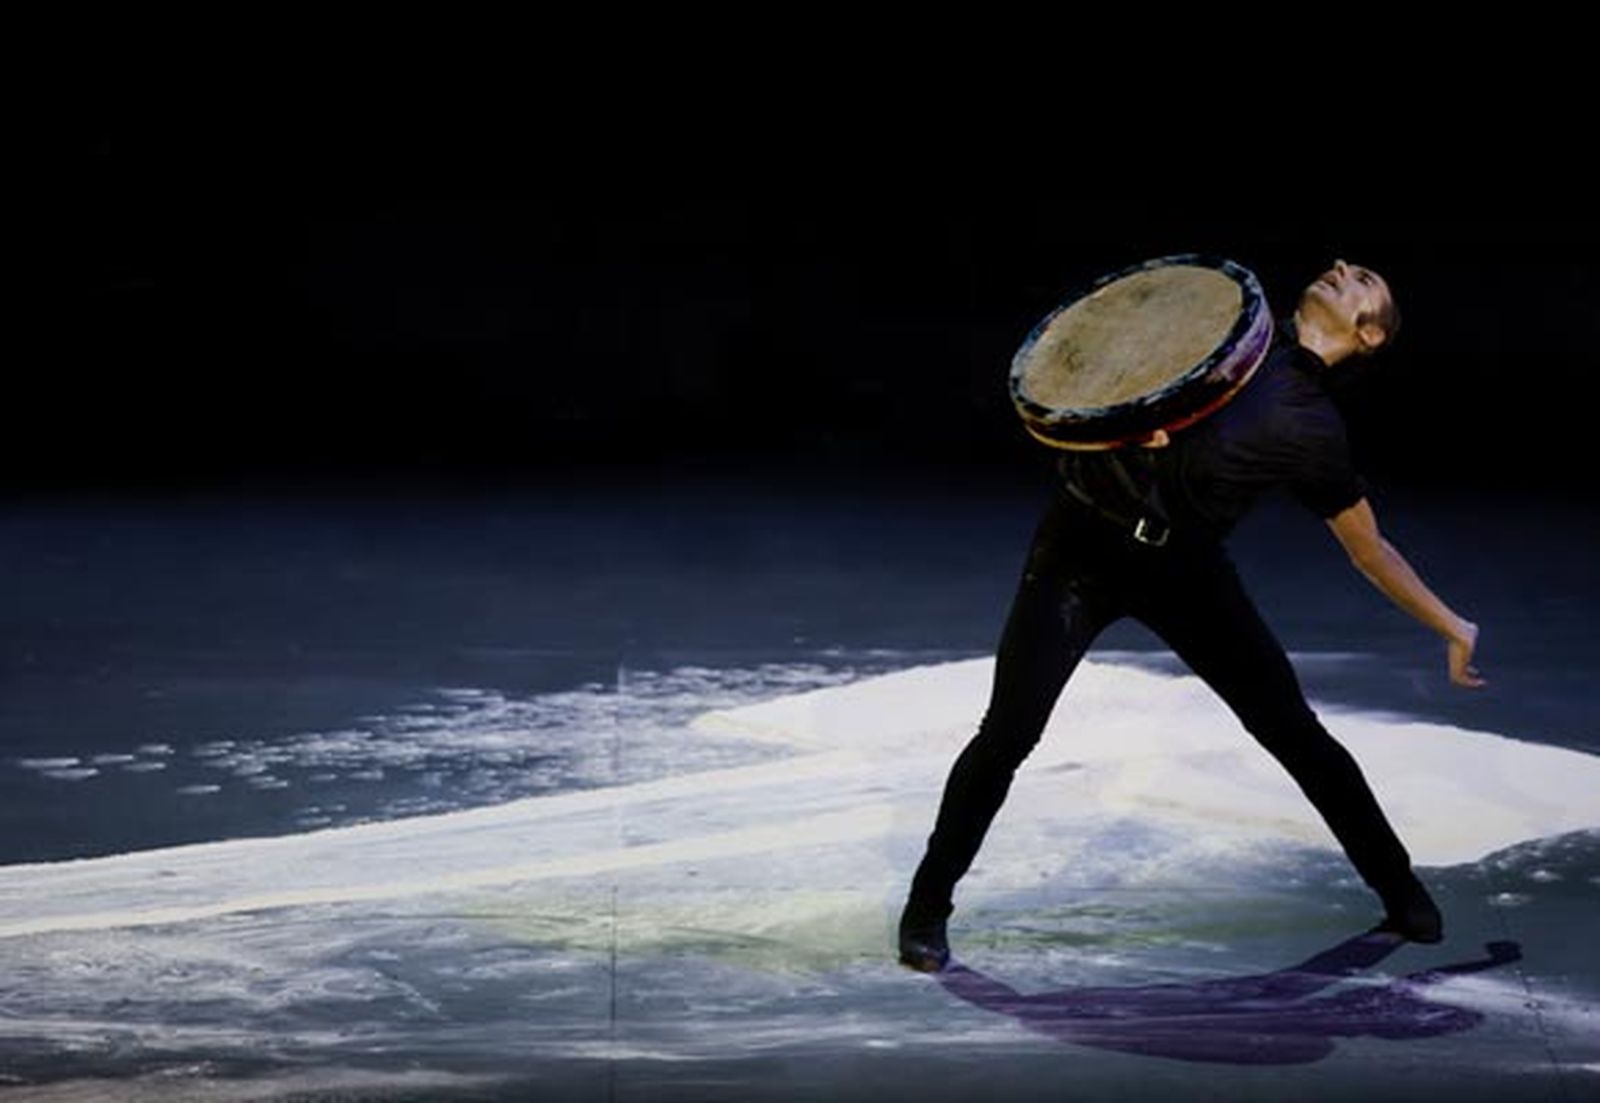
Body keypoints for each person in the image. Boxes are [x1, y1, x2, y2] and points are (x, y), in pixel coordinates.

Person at [898, 259, 1485, 973]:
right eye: (1343, 266)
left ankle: (1400, 889)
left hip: (1185, 573)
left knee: (1294, 733)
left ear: (1370, 334)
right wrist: (1124, 425)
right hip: (1079, 550)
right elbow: (1092, 371)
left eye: (1363, 279)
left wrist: (1452, 626)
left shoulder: (1314, 428)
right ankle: (926, 908)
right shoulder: (1212, 332)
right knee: (1008, 733)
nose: (1340, 268)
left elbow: (1370, 551)